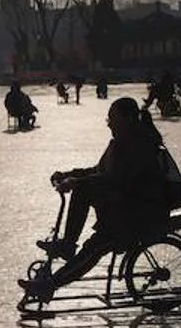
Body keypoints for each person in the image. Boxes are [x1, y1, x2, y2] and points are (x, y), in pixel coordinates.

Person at [19, 97, 171, 301]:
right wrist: (70, 175)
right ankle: (68, 244)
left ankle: (51, 284)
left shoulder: (139, 146)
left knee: (93, 249)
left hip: (137, 218)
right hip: (122, 210)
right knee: (84, 189)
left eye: (113, 120)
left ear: (127, 120)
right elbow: (99, 172)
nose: (109, 125)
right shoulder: (123, 142)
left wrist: (76, 182)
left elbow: (117, 178)